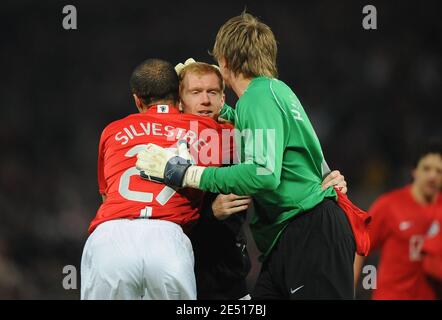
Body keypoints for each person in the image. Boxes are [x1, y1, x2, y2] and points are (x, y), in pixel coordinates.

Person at [136, 13, 370, 299]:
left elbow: (264, 173)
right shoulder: (272, 92)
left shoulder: (256, 98)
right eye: (197, 92)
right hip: (288, 237)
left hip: (309, 232)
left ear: (224, 59)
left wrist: (190, 174)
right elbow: (280, 145)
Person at [177, 60, 348, 300]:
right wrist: (209, 214)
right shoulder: (172, 148)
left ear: (223, 99)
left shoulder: (240, 136)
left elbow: (279, 162)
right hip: (186, 278)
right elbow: (164, 223)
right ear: (179, 101)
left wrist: (322, 178)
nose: (205, 100)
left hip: (232, 279)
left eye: (212, 92)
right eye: (196, 92)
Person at [81, 58, 230, 300]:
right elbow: (262, 143)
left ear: (137, 100)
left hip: (110, 239)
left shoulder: (112, 131)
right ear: (179, 97)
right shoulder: (208, 130)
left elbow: (106, 194)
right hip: (167, 240)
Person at [355, 140, 442, 299]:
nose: (432, 176)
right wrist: (348, 291)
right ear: (414, 170)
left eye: (439, 171)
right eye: (427, 168)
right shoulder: (389, 205)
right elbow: (360, 248)